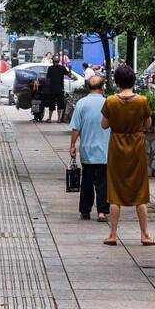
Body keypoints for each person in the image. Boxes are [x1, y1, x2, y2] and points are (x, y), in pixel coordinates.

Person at [101, 63, 155, 247]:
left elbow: (104, 125)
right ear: (133, 80)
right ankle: (144, 235)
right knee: (140, 191)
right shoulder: (142, 101)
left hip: (116, 148)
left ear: (117, 81)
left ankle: (113, 234)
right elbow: (148, 124)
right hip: (136, 148)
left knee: (115, 191)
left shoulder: (110, 101)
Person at [69, 75, 109, 223]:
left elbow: (76, 127)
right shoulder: (108, 103)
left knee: (87, 181)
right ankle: (102, 212)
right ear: (103, 87)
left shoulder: (82, 103)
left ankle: (85, 211)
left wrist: (72, 145)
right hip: (105, 150)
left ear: (88, 87)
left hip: (87, 150)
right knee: (103, 182)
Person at [43, 53, 74, 123]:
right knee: (60, 104)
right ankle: (59, 119)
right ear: (58, 61)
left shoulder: (50, 68)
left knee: (52, 104)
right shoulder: (62, 68)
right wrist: (69, 69)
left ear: (53, 61)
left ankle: (50, 119)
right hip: (60, 89)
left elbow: (47, 78)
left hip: (52, 89)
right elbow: (69, 75)